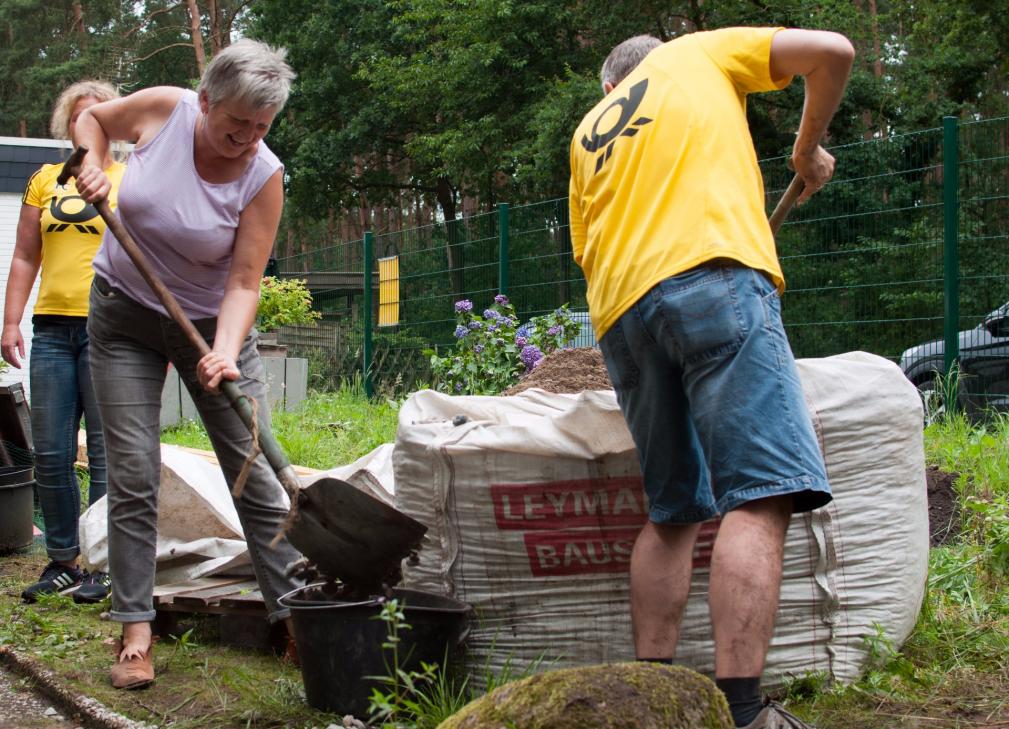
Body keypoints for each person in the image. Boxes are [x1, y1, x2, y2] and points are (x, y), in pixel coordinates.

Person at [568, 28, 854, 729]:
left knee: (673, 511)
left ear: (610, 87)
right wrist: (804, 149)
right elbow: (833, 52)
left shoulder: (586, 134)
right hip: (712, 278)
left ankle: (651, 699)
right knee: (760, 492)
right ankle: (743, 713)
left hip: (621, 315)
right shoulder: (693, 53)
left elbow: (589, 248)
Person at [71, 39, 300, 690]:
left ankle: (297, 622)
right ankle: (135, 629)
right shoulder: (165, 111)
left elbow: (246, 281)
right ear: (205, 101)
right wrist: (94, 163)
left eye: (262, 127)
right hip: (124, 315)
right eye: (237, 124)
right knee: (134, 473)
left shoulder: (263, 175)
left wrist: (224, 350)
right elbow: (92, 120)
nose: (248, 139)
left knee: (256, 475)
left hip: (211, 327)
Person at [2, 80, 125, 605]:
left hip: (110, 332)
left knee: (104, 454)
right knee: (51, 452)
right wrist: (11, 322)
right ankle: (62, 561)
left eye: (98, 114)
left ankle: (103, 563)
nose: (87, 124)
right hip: (51, 331)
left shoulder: (131, 179)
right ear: (67, 125)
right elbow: (25, 255)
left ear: (115, 123)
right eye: (79, 116)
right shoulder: (44, 180)